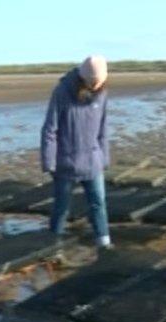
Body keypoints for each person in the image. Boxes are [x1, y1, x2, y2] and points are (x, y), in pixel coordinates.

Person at [40, 55, 112, 250]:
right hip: (66, 163)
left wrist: (104, 158)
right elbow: (50, 129)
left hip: (93, 161)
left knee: (98, 203)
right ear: (84, 77)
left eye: (100, 81)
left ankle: (104, 243)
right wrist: (49, 162)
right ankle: (52, 247)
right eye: (93, 81)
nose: (97, 85)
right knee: (61, 208)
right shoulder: (62, 92)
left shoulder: (102, 94)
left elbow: (103, 129)